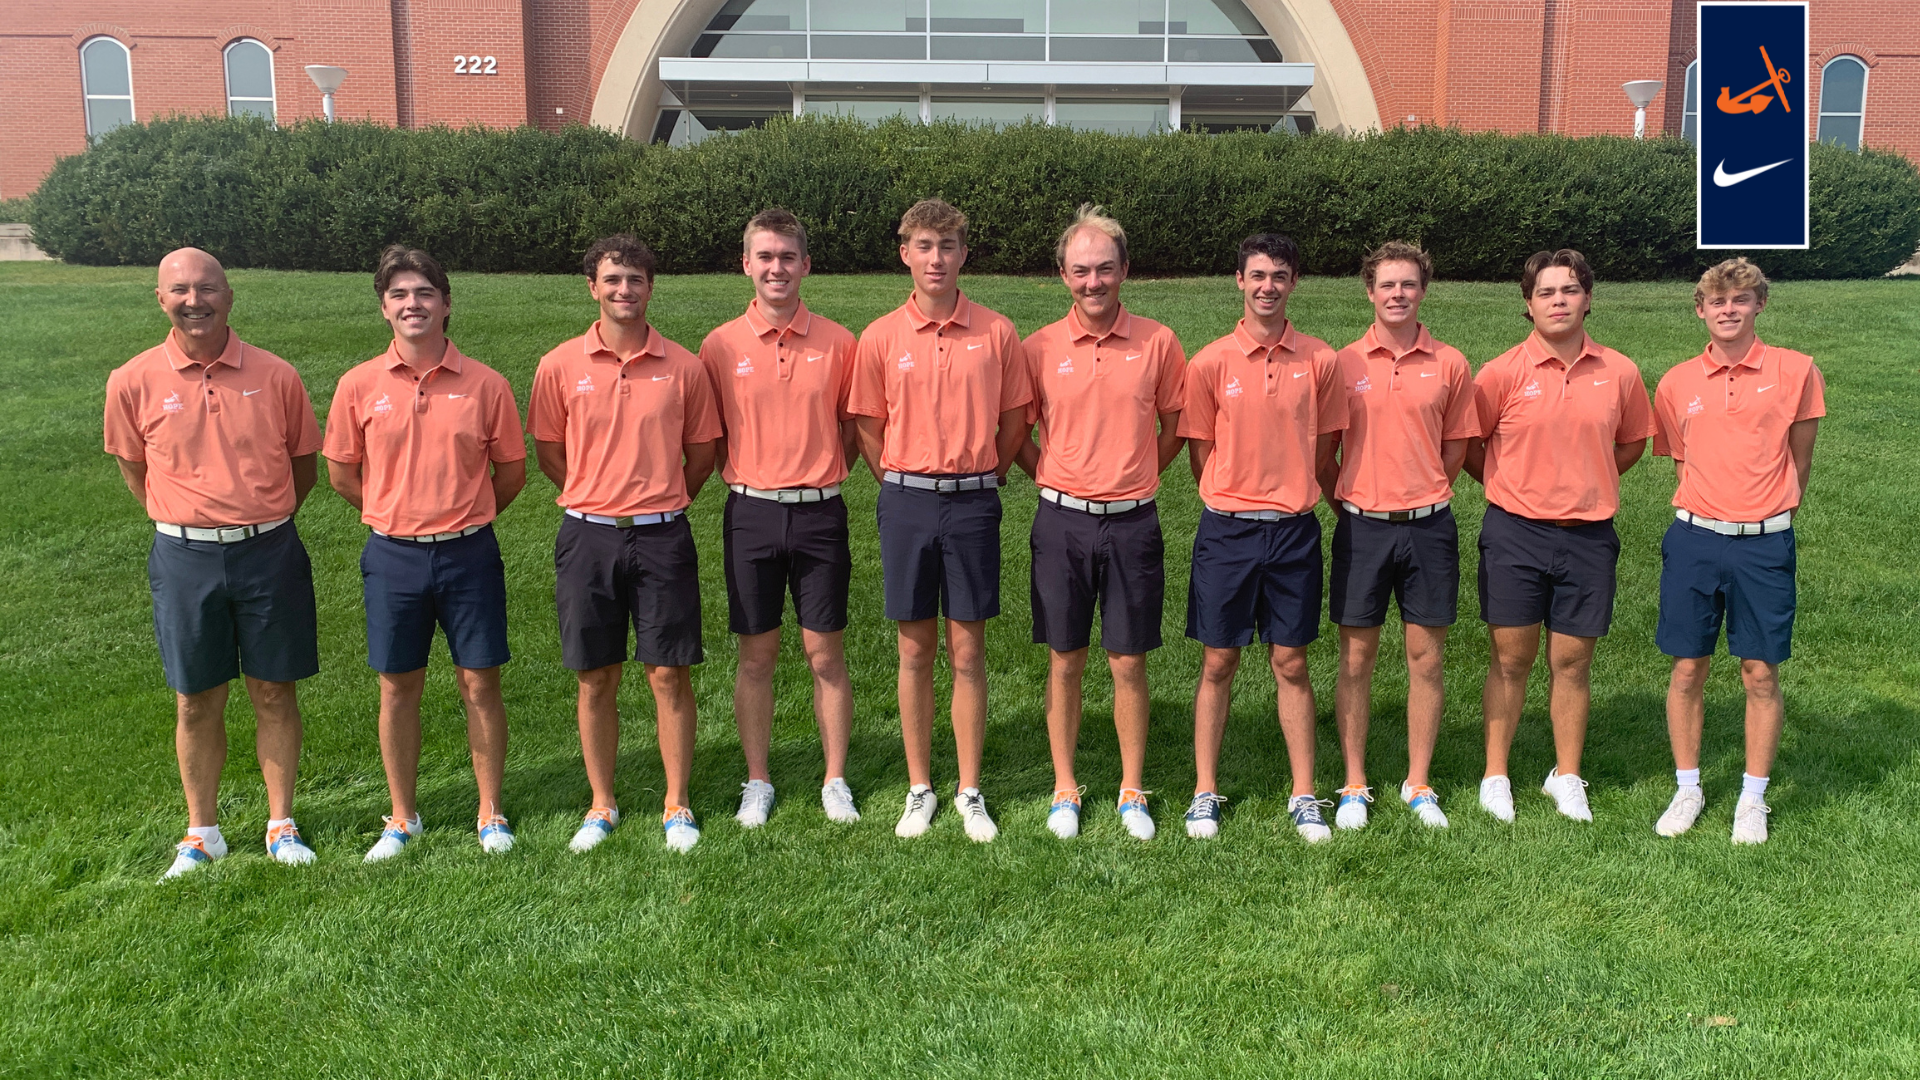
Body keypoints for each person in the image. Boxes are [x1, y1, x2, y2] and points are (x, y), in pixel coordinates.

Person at [105, 247, 324, 880]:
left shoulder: (276, 374)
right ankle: (203, 833)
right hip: (183, 557)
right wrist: (187, 518)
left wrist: (257, 514)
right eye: (179, 290)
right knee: (195, 699)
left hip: (269, 550)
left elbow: (301, 465)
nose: (193, 300)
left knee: (274, 690)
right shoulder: (133, 379)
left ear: (230, 296)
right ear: (160, 299)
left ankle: (281, 823)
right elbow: (134, 467)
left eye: (206, 288)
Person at [323, 246, 527, 861]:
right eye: (400, 296)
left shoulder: (485, 383)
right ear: (385, 308)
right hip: (393, 556)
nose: (414, 305)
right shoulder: (358, 384)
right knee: (396, 686)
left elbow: (511, 472)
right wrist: (394, 513)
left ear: (446, 303)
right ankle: (403, 816)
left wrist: (461, 513)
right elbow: (340, 472)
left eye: (425, 294)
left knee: (480, 682)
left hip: (469, 553)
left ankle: (490, 812)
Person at [529, 235, 722, 853]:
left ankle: (677, 803)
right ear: (593, 287)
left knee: (669, 672)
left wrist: (657, 497)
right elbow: (550, 452)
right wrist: (596, 494)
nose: (624, 290)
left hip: (663, 533)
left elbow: (701, 455)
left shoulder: (684, 366)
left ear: (650, 287)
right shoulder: (559, 364)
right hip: (587, 535)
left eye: (635, 279)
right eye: (612, 279)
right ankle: (601, 803)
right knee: (596, 674)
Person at [849, 198, 1033, 843]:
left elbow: (1015, 420)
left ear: (964, 254)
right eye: (925, 246)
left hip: (975, 499)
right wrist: (901, 482)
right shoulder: (879, 336)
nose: (937, 258)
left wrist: (987, 472)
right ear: (906, 253)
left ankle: (970, 789)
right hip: (905, 500)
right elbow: (869, 429)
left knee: (968, 645)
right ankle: (919, 786)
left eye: (948, 246)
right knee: (914, 646)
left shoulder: (997, 331)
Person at [1466, 249, 1655, 823]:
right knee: (1510, 658)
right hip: (1515, 535)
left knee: (1572, 661)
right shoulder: (1499, 372)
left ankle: (1566, 775)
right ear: (1528, 304)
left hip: (1589, 537)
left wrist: (1587, 483)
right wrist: (1514, 487)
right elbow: (1473, 447)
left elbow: (1630, 443)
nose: (1558, 301)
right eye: (1546, 293)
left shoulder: (1619, 371)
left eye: (1569, 290)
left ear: (1588, 298)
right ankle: (1496, 772)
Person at [1015, 205, 1186, 841]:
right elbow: (1017, 433)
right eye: (1081, 270)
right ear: (1063, 275)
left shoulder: (1159, 342)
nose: (1094, 282)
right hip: (1061, 522)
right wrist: (1050, 474)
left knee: (1128, 661)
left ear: (1125, 271)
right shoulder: (1038, 348)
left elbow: (1178, 426)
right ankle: (1066, 787)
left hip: (1133, 521)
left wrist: (1140, 472)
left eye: (1105, 269)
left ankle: (1132, 789)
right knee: (1065, 659)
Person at [1177, 233, 1347, 843]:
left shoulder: (1320, 360)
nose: (1267, 285)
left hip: (1294, 533)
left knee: (1291, 661)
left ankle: (1305, 793)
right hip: (1227, 531)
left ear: (1293, 282)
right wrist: (1237, 493)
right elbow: (1201, 452)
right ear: (1239, 281)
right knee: (1218, 659)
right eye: (1257, 275)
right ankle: (1204, 790)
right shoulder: (1210, 362)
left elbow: (1327, 443)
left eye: (1279, 274)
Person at [698, 209, 861, 829]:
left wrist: (816, 473)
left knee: (826, 655)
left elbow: (851, 431)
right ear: (747, 264)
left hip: (821, 514)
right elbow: (709, 437)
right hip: (751, 514)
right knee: (756, 656)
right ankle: (758, 779)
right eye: (765, 257)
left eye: (787, 257)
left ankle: (835, 777)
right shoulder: (718, 346)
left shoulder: (840, 342)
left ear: (806, 265)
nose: (776, 268)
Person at [1650, 258, 1822, 845]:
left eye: (1741, 300)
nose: (1729, 310)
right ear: (1701, 309)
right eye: (1717, 301)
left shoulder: (1796, 371)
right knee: (1687, 666)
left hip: (1764, 542)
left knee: (1759, 672)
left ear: (1759, 306)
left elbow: (1800, 460)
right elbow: (1683, 457)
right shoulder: (1675, 382)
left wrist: (1769, 514)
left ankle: (1752, 797)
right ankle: (1688, 787)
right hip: (1694, 538)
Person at [1320, 241, 1480, 831]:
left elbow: (1457, 446)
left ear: (1423, 291)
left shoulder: (1451, 363)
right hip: (1361, 527)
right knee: (1356, 658)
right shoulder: (1343, 363)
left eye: (1408, 285)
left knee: (1426, 657)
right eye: (1387, 285)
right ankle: (1354, 784)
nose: (1397, 295)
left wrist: (1420, 490)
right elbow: (1324, 454)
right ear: (1370, 291)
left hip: (1430, 527)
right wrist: (1354, 503)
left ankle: (1419, 781)